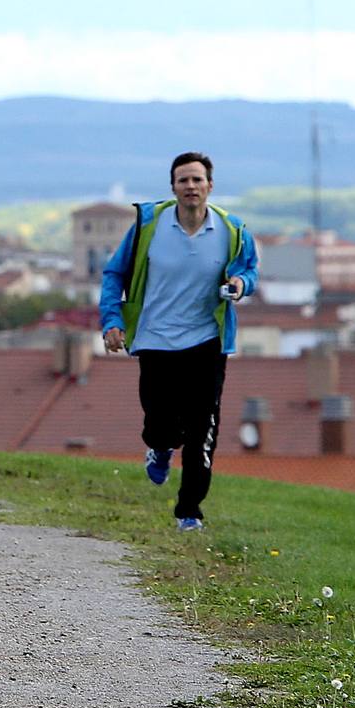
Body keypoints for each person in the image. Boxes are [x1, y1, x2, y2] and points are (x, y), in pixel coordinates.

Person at [98, 151, 259, 532]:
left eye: (197, 180)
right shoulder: (147, 227)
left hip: (207, 340)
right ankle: (159, 446)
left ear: (210, 186)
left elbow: (248, 270)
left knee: (204, 428)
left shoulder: (231, 230)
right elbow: (114, 273)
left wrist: (240, 284)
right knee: (160, 421)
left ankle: (189, 511)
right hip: (155, 338)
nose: (191, 186)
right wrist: (112, 321)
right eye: (183, 180)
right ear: (173, 187)